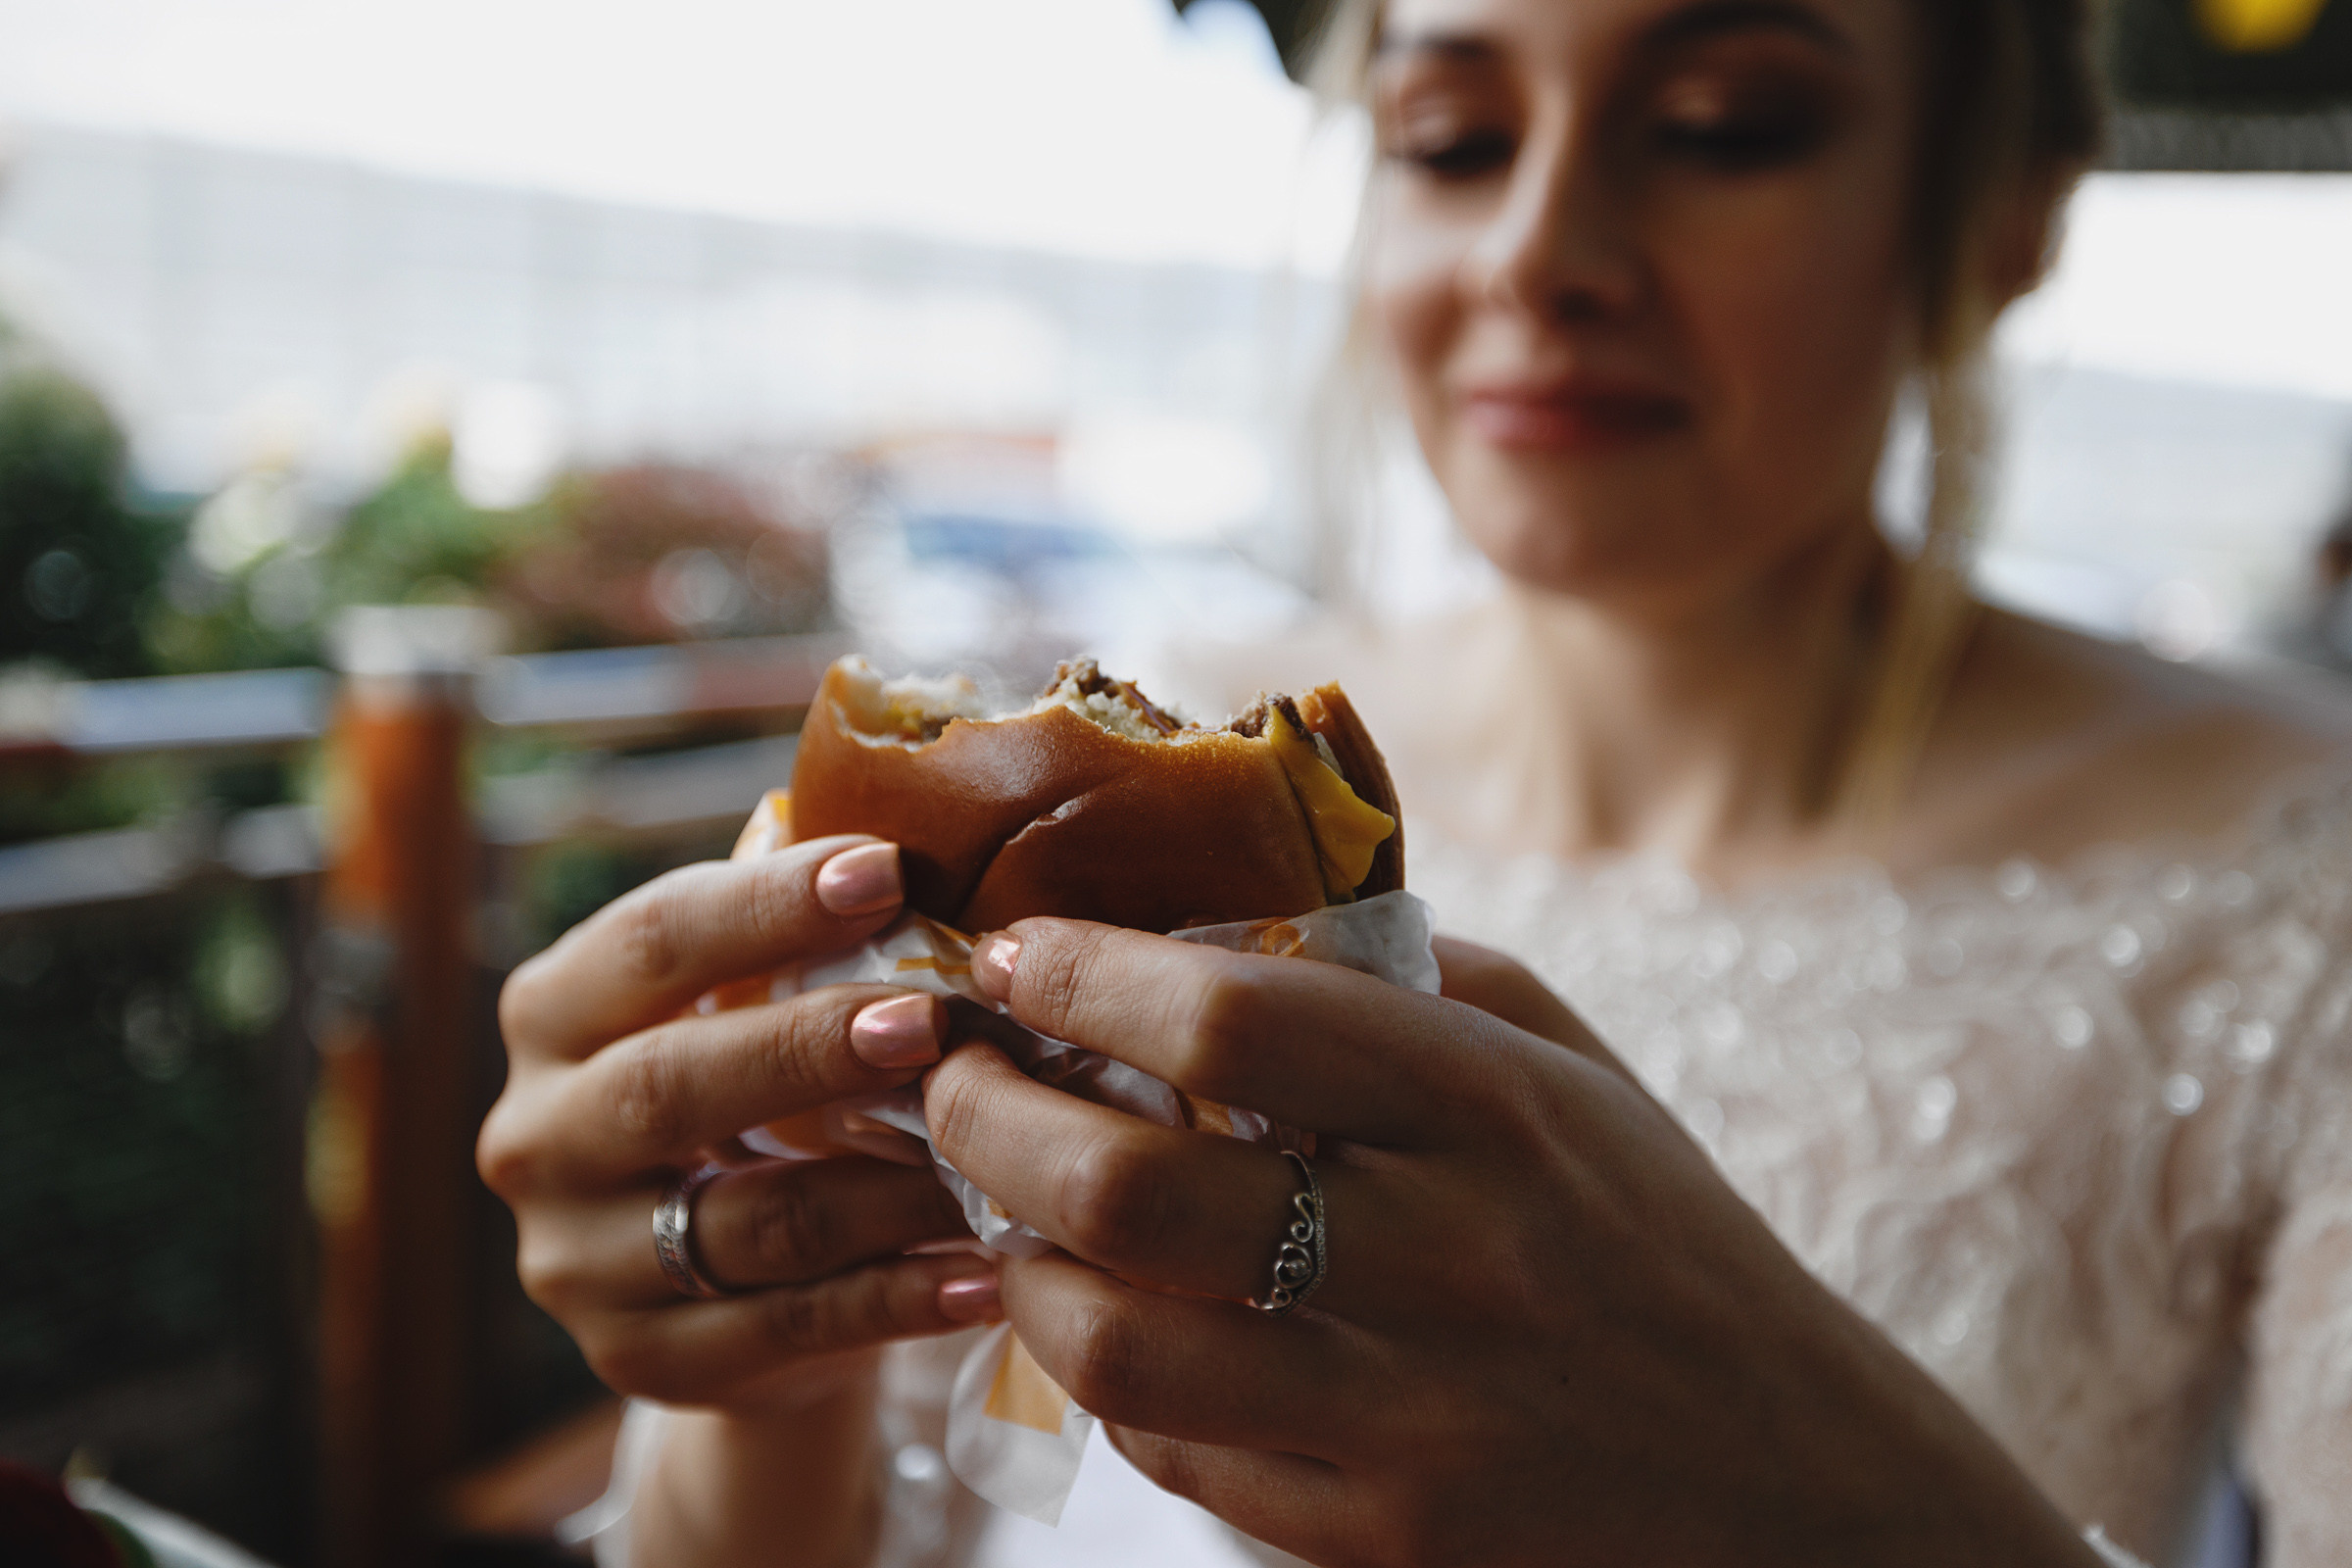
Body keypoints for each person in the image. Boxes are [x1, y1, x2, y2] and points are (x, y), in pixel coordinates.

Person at [477, 0, 2352, 1562]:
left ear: (2008, 205)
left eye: (1723, 124)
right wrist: (763, 1364)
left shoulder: (2297, 878)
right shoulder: (1142, 798)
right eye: (1454, 140)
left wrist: (1830, 1485)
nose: (1541, 250)